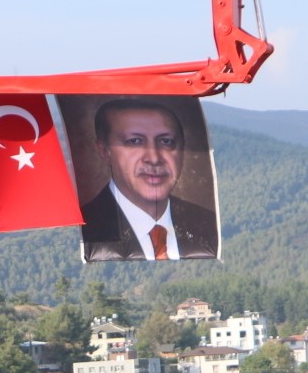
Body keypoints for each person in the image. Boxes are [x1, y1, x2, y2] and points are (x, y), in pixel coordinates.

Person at [78, 98, 218, 262]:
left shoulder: (205, 223)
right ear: (104, 151)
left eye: (166, 142)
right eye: (135, 141)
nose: (153, 158)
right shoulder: (83, 225)